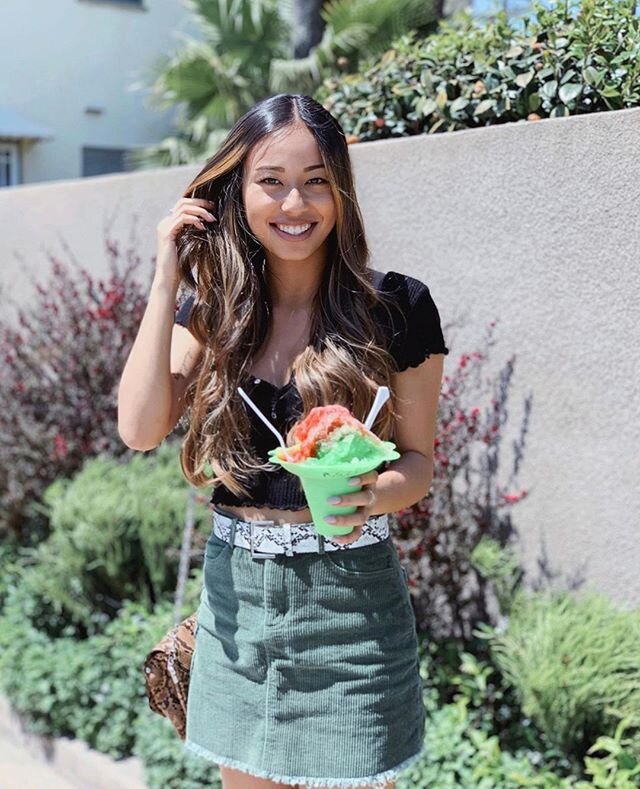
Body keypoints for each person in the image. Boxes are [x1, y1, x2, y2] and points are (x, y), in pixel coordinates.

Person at [118, 93, 449, 789]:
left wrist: (367, 492)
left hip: (352, 604)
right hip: (238, 607)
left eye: (316, 180)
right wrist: (165, 278)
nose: (294, 202)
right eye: (271, 180)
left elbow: (418, 465)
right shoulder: (214, 312)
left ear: (341, 192)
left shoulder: (397, 309)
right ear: (237, 191)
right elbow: (140, 427)